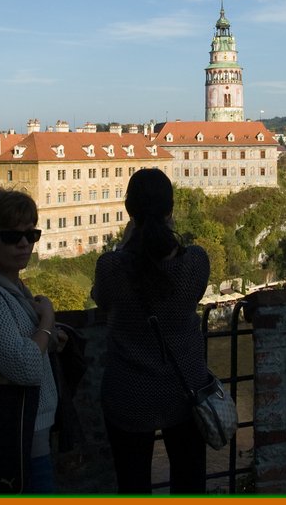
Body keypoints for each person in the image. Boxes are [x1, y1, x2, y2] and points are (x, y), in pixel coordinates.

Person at [91, 168, 211, 494]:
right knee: (190, 484)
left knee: (133, 485)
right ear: (171, 208)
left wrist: (127, 243)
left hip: (129, 392)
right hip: (186, 390)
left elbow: (102, 301)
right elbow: (192, 295)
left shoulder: (112, 267)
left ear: (129, 210)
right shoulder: (196, 262)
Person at [0, 187, 63, 492]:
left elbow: (26, 345)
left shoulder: (11, 285)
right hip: (13, 438)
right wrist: (46, 320)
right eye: (11, 236)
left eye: (31, 235)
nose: (23, 243)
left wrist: (52, 338)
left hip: (30, 432)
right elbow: (27, 366)